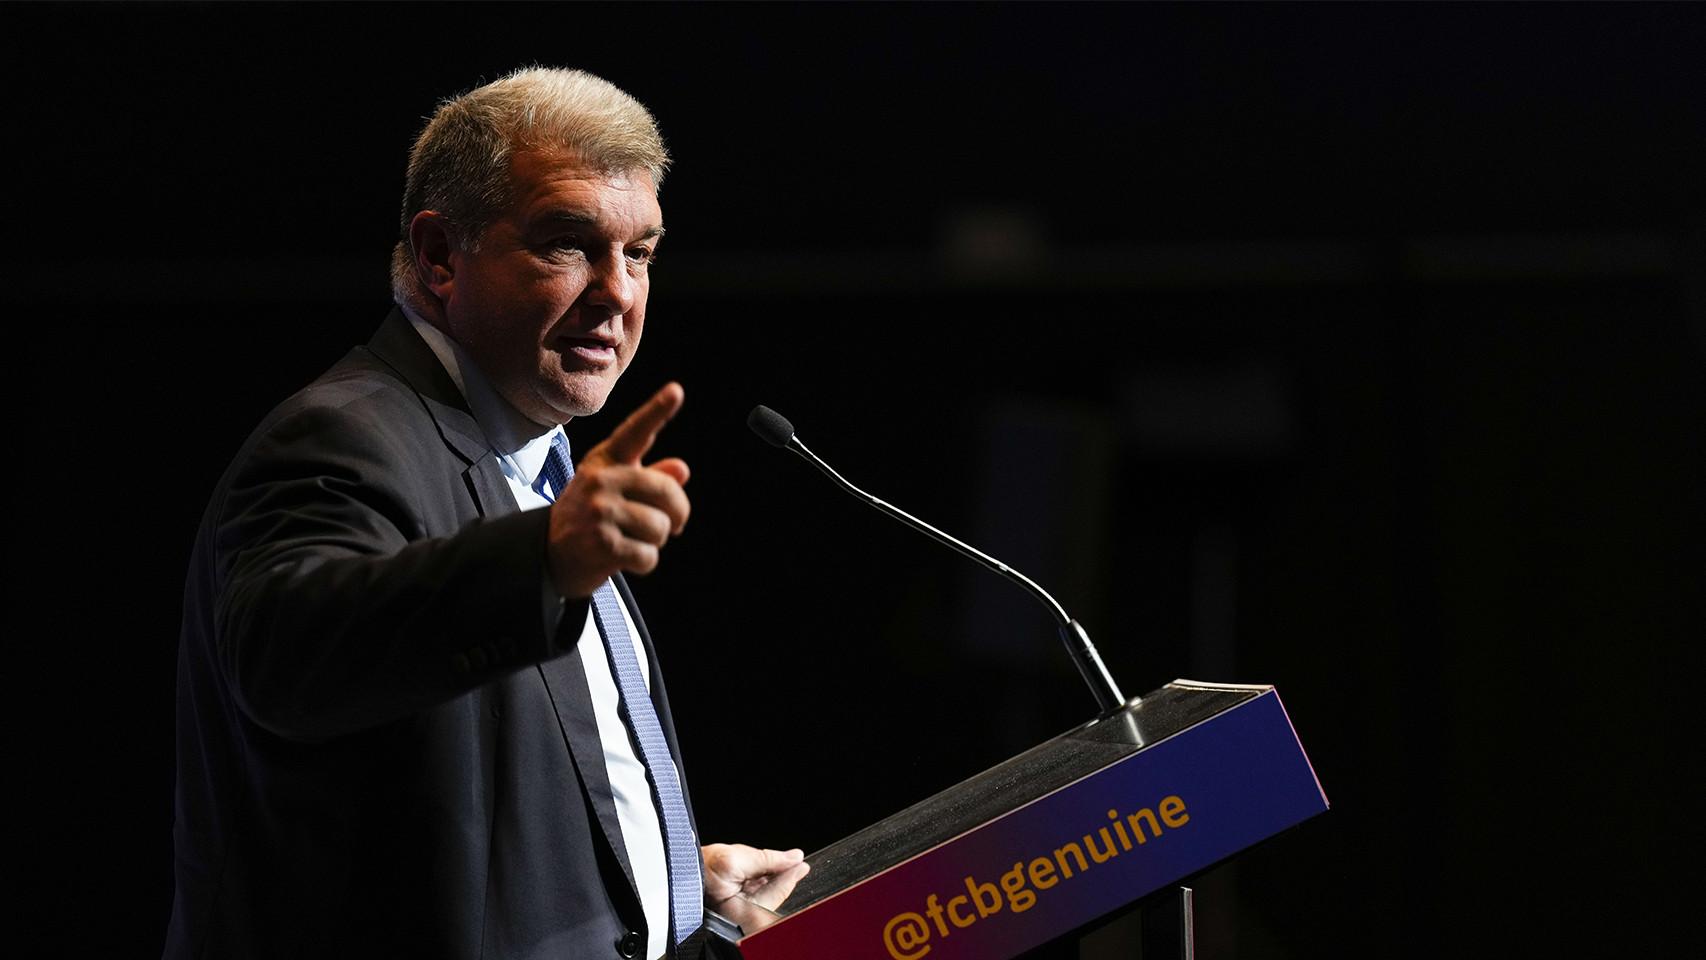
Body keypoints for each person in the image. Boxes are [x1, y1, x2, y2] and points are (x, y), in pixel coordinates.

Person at [165, 67, 805, 960]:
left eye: (641, 254)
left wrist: (666, 886)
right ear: (439, 256)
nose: (618, 293)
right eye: (568, 244)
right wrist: (544, 560)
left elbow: (497, 813)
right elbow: (287, 659)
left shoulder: (536, 468)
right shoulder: (342, 439)